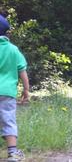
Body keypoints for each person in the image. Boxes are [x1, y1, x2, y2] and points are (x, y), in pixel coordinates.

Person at [0, 15, 29, 161]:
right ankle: (12, 154)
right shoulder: (13, 50)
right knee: (8, 119)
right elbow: (22, 71)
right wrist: (26, 90)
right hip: (7, 92)